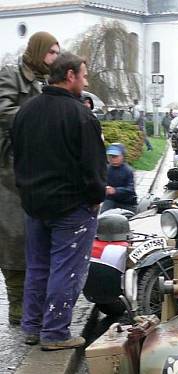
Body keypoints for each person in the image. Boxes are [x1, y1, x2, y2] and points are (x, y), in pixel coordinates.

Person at [11, 52, 106, 350]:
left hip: (34, 203)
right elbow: (93, 166)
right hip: (71, 207)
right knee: (66, 270)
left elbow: (18, 156)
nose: (85, 81)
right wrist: (95, 199)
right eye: (84, 75)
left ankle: (32, 326)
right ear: (70, 76)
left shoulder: (26, 111)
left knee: (37, 267)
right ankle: (54, 333)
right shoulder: (81, 115)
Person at [0, 31, 60, 327]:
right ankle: (16, 306)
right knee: (13, 237)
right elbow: (4, 111)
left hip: (36, 168)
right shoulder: (12, 76)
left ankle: (33, 305)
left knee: (37, 238)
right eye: (51, 53)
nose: (55, 59)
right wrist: (39, 114)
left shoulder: (44, 83)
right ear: (37, 52)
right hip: (9, 169)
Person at [100, 143, 137, 213]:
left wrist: (115, 190)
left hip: (127, 202)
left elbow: (131, 189)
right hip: (111, 200)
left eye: (116, 156)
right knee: (103, 216)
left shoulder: (128, 171)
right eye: (110, 156)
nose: (113, 159)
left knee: (130, 218)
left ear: (122, 156)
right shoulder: (106, 169)